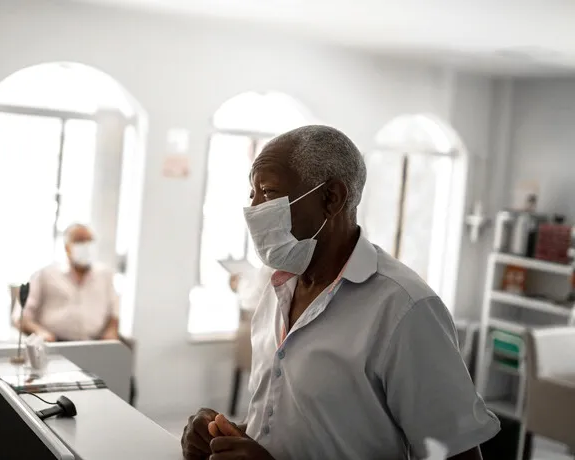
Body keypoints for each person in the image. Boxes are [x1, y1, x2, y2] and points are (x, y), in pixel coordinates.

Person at [181, 125, 500, 460]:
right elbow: (293, 428)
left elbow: (456, 456)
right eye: (253, 195)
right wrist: (225, 434)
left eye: (270, 194)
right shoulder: (278, 287)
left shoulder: (404, 309)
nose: (255, 211)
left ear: (331, 198)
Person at [18, 223, 120, 342]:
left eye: (89, 241)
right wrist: (40, 332)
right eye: (80, 241)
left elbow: (114, 313)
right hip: (54, 343)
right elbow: (21, 316)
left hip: (94, 345)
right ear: (67, 247)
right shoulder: (45, 274)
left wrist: (111, 332)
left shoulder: (105, 275)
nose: (85, 246)